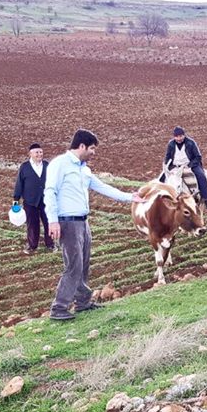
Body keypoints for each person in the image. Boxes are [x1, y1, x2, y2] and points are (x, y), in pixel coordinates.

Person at [44, 129, 143, 321]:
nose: (93, 153)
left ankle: (83, 303)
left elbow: (104, 188)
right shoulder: (60, 165)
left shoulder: (84, 169)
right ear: (81, 146)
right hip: (67, 222)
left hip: (83, 222)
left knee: (84, 264)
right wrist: (52, 221)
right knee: (73, 266)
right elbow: (49, 192)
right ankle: (59, 308)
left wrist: (131, 197)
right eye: (91, 149)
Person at [13, 143, 55, 254]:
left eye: (41, 152)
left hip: (46, 201)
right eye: (36, 152)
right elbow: (19, 183)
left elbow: (54, 182)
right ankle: (32, 246)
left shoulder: (47, 165)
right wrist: (16, 200)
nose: (39, 154)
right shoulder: (25, 167)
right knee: (32, 225)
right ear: (30, 153)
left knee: (48, 223)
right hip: (30, 201)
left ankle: (50, 244)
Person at [159, 126, 207, 209]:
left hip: (189, 165)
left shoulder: (191, 143)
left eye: (180, 136)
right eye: (177, 136)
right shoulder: (171, 144)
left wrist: (190, 165)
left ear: (184, 135)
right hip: (175, 166)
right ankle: (160, 199)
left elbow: (198, 157)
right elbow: (168, 157)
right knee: (160, 179)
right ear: (174, 137)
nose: (179, 138)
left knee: (201, 176)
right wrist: (167, 166)